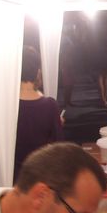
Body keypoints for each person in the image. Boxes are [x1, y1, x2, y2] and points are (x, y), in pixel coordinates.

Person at [14, 46, 64, 181]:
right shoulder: (50, 105)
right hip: (42, 175)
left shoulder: (7, 107)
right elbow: (58, 146)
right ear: (37, 71)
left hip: (13, 176)